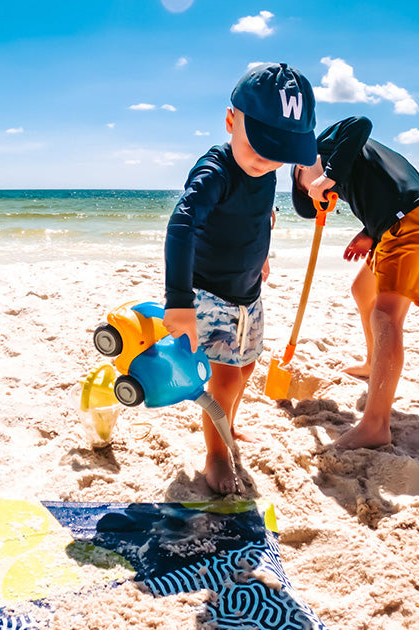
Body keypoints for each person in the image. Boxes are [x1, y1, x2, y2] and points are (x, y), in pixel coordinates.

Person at [163, 62, 318, 493]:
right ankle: (215, 453)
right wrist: (178, 302)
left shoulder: (265, 172)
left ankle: (226, 426)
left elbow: (263, 213)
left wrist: (263, 254)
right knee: (225, 378)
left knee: (246, 368)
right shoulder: (216, 170)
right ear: (231, 120)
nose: (268, 158)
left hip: (249, 293)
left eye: (281, 149)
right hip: (208, 293)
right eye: (262, 143)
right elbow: (182, 225)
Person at [291, 115, 419, 450]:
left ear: (305, 164)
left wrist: (326, 176)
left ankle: (376, 425)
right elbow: (384, 189)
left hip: (410, 222)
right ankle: (373, 362)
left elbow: (361, 122)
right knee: (362, 290)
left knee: (385, 315)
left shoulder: (329, 146)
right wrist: (368, 232)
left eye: (305, 186)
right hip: (395, 222)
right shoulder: (348, 165)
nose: (316, 197)